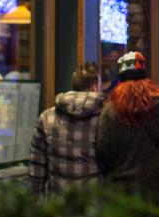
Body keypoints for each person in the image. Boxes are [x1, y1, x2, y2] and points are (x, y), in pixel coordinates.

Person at [96, 52, 159, 197]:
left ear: (121, 77)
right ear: (144, 73)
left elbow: (102, 150)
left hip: (123, 190)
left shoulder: (111, 108)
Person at [28, 63, 105, 196]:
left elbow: (36, 170)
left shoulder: (47, 117)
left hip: (59, 207)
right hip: (95, 207)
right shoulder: (104, 117)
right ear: (95, 86)